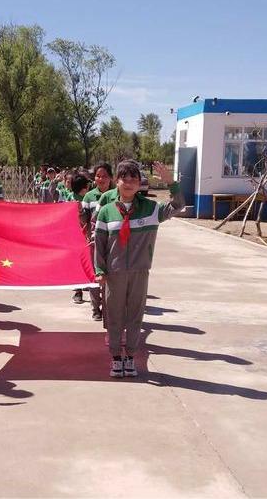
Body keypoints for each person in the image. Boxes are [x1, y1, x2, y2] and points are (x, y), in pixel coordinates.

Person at [94, 160, 183, 378]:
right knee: (114, 316)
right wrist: (100, 270)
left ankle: (131, 357)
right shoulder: (106, 212)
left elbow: (178, 205)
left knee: (135, 315)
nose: (129, 183)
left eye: (134, 179)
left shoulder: (151, 209)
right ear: (117, 181)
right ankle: (116, 357)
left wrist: (171, 183)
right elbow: (100, 244)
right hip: (114, 273)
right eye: (124, 178)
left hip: (139, 272)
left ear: (140, 183)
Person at [81, 162, 113, 321]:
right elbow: (84, 220)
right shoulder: (88, 197)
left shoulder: (117, 195)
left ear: (111, 178)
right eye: (98, 176)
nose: (101, 179)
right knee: (94, 276)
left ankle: (108, 309)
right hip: (94, 243)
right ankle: (95, 308)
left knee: (110, 277)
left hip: (113, 244)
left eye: (104, 176)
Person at [67, 172, 91, 304]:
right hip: (78, 234)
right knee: (81, 262)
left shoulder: (87, 197)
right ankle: (78, 291)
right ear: (83, 188)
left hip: (80, 234)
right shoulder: (75, 199)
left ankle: (82, 288)